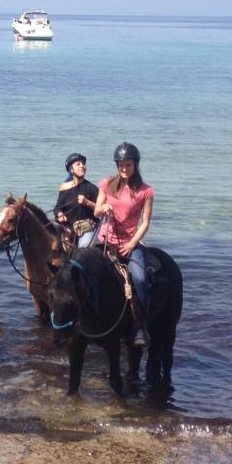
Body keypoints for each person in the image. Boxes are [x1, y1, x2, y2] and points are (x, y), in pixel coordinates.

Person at [92, 142, 155, 347]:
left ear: (135, 165)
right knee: (80, 269)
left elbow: (145, 222)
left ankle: (140, 324)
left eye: (128, 165)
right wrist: (103, 208)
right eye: (121, 166)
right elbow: (96, 210)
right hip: (104, 239)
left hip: (129, 242)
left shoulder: (146, 192)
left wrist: (132, 244)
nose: (124, 169)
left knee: (140, 278)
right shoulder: (107, 183)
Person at [53, 152, 99, 248]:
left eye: (83, 164)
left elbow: (101, 210)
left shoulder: (92, 188)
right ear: (71, 169)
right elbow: (57, 208)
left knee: (84, 250)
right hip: (69, 228)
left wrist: (87, 202)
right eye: (78, 164)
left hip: (87, 229)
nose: (82, 166)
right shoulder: (64, 188)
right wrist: (60, 214)